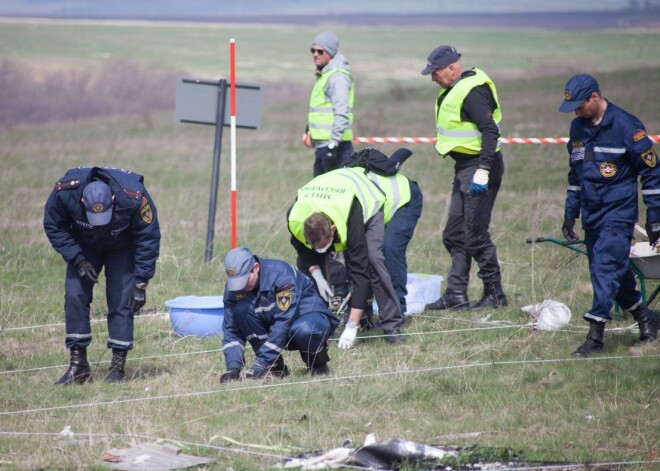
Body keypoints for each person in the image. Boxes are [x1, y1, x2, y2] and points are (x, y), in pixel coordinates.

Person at [557, 74, 659, 356]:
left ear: (594, 97)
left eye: (580, 105)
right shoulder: (577, 128)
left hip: (618, 213)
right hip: (592, 213)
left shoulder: (627, 126)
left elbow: (652, 172)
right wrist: (570, 213)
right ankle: (645, 317)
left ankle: (596, 335)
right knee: (613, 270)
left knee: (604, 268)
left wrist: (655, 217)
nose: (576, 112)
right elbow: (575, 174)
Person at [43, 166, 160, 384]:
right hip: (84, 248)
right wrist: (77, 258)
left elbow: (148, 237)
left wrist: (141, 282)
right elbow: (54, 226)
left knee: (123, 300)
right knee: (74, 295)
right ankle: (79, 366)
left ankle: (117, 369)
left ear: (114, 199)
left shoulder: (134, 196)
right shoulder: (64, 193)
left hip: (122, 247)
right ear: (82, 203)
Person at [420, 45, 508, 312]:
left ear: (451, 68)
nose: (433, 78)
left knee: (475, 235)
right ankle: (456, 293)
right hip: (463, 168)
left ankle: (495, 294)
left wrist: (483, 170)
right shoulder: (453, 89)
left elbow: (490, 131)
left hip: (480, 168)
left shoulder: (472, 92)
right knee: (454, 234)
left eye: (435, 73)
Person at [287, 167, 406, 349]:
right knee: (307, 265)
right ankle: (321, 320)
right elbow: (302, 250)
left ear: (332, 230)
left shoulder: (349, 213)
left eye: (324, 245)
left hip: (366, 202)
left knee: (373, 259)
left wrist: (352, 326)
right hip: (328, 192)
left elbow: (360, 270)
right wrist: (317, 275)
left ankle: (391, 324)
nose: (321, 250)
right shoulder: (295, 217)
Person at [219, 247, 339, 381]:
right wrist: (233, 369)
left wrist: (262, 362)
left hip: (307, 320)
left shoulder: (281, 274)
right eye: (236, 282)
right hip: (276, 330)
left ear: (256, 267)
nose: (240, 286)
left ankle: (318, 365)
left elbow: (284, 321)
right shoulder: (234, 286)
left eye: (244, 280)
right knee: (242, 310)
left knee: (305, 330)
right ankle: (276, 369)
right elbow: (231, 330)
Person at [349, 147, 424, 314]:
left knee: (390, 248)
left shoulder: (350, 191)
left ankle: (397, 309)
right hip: (379, 205)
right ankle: (363, 311)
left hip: (405, 200)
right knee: (360, 251)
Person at [303, 31, 355, 177]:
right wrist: (310, 130)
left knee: (337, 198)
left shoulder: (337, 77)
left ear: (331, 53)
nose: (315, 54)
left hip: (336, 149)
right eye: (313, 50)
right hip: (323, 147)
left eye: (320, 51)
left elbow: (341, 113)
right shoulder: (325, 75)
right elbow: (321, 110)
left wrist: (332, 145)